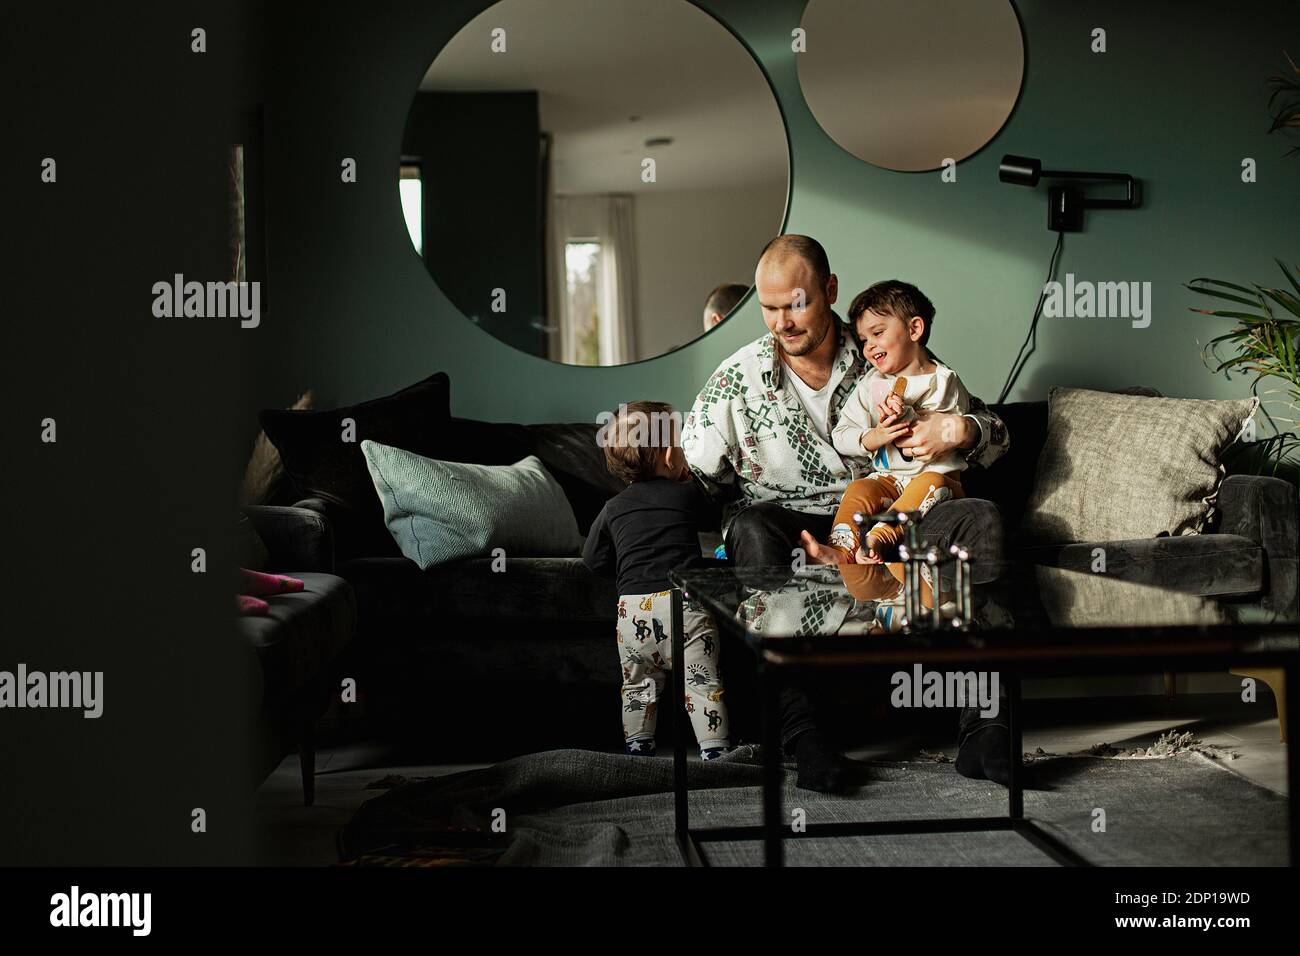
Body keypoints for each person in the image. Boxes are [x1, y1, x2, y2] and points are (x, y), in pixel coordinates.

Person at [682, 235, 1012, 791]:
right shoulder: (734, 381)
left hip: (893, 510)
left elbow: (996, 434)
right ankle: (805, 737)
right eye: (769, 307)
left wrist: (966, 428)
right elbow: (695, 478)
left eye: (797, 303)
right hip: (791, 523)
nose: (782, 322)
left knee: (978, 516)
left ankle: (987, 728)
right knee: (751, 525)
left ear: (829, 290)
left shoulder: (883, 349)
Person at [583, 401, 731, 761]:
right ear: (669, 455)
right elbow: (718, 516)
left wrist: (626, 574)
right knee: (702, 684)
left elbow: (592, 559)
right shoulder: (687, 494)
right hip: (686, 607)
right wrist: (690, 477)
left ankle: (639, 744)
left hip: (632, 611)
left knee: (637, 684)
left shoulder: (612, 508)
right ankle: (715, 750)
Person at [802, 280, 970, 571]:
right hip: (888, 480)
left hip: (934, 479)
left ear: (914, 330)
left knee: (933, 484)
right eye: (864, 340)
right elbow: (841, 435)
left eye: (878, 333)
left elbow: (947, 426)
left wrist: (908, 414)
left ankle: (879, 538)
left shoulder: (944, 382)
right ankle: (843, 549)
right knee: (859, 489)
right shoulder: (870, 384)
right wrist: (874, 436)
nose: (869, 347)